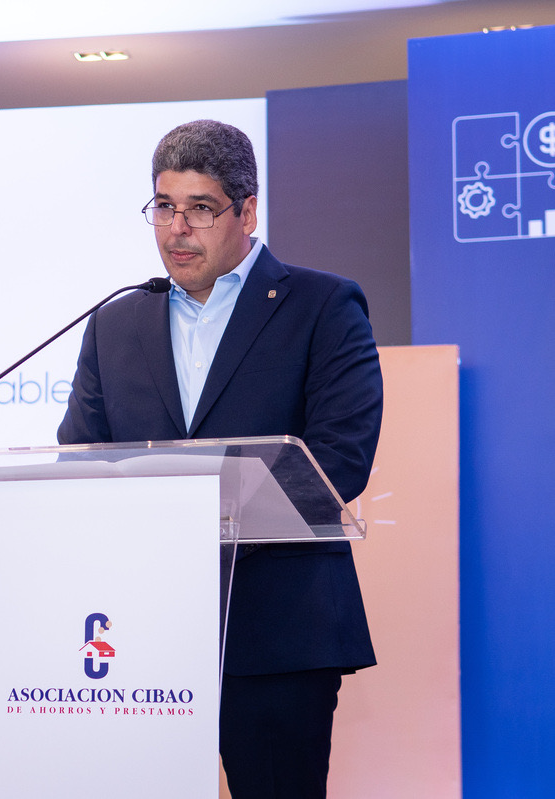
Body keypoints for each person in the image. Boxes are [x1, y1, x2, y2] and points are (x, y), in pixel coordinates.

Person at [57, 119, 383, 798]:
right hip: (140, 630)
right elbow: (80, 459)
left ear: (247, 211)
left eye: (200, 208)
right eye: (164, 207)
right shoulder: (116, 322)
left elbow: (339, 461)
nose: (177, 230)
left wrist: (193, 514)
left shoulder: (322, 306)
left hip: (278, 630)